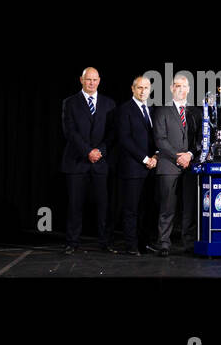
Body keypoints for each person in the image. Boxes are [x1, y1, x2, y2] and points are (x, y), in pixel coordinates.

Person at [60, 67, 115, 254]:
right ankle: (72, 242)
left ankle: (104, 242)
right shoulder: (70, 103)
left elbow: (112, 134)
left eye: (94, 79)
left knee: (103, 205)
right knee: (75, 205)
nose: (91, 83)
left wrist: (100, 151)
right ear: (81, 80)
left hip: (101, 161)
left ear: (99, 80)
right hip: (77, 161)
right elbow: (70, 132)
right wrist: (88, 151)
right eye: (88, 79)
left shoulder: (109, 104)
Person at [154, 74, 200, 255]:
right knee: (167, 206)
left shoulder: (195, 112)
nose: (181, 89)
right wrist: (177, 157)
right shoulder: (162, 110)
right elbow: (160, 138)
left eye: (184, 86)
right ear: (172, 88)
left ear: (189, 89)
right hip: (168, 165)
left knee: (189, 206)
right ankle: (164, 242)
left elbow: (200, 139)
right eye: (177, 85)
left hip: (190, 165)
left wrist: (189, 155)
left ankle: (188, 242)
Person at [115, 75, 160, 255]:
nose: (143, 91)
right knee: (132, 209)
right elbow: (125, 139)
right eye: (139, 88)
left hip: (152, 168)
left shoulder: (152, 109)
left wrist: (156, 156)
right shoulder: (124, 110)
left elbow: (157, 137)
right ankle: (131, 245)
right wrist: (145, 159)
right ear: (133, 89)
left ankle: (145, 243)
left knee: (148, 209)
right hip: (134, 168)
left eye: (146, 88)